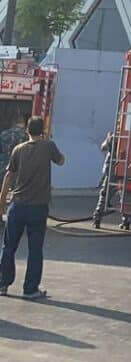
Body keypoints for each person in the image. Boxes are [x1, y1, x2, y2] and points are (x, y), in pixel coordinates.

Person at [0, 115, 64, 299]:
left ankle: (3, 284)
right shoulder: (48, 146)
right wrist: (49, 140)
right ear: (42, 131)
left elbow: (9, 176)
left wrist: (2, 200)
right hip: (38, 207)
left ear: (27, 130)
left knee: (8, 246)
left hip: (17, 205)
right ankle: (30, 289)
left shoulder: (18, 149)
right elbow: (61, 161)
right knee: (35, 248)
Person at [92, 130, 114, 229]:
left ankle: (97, 218)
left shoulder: (113, 137)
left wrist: (109, 138)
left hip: (111, 170)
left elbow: (103, 147)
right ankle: (126, 221)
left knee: (104, 194)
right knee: (125, 196)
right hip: (124, 169)